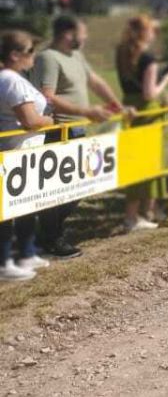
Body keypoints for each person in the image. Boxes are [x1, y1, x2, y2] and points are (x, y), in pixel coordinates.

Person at [30, 15, 130, 259]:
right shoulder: (48, 58)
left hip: (77, 130)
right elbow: (48, 97)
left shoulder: (75, 55)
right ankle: (50, 238)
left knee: (79, 187)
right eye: (82, 33)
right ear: (67, 34)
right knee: (58, 190)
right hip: (58, 133)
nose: (85, 38)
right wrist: (86, 111)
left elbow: (94, 81)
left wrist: (116, 105)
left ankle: (47, 234)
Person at [0, 31, 55, 281]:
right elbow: (30, 119)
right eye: (31, 51)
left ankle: (26, 252)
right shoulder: (11, 79)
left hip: (24, 153)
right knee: (8, 210)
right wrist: (50, 120)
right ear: (14, 55)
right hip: (15, 151)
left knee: (26, 205)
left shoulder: (13, 78)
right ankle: (4, 262)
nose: (34, 56)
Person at [115, 15, 168, 231]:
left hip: (130, 109)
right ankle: (135, 216)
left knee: (136, 164)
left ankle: (143, 212)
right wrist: (166, 79)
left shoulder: (122, 51)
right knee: (148, 164)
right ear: (144, 33)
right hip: (148, 113)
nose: (154, 34)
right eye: (151, 30)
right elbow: (150, 94)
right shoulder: (148, 58)